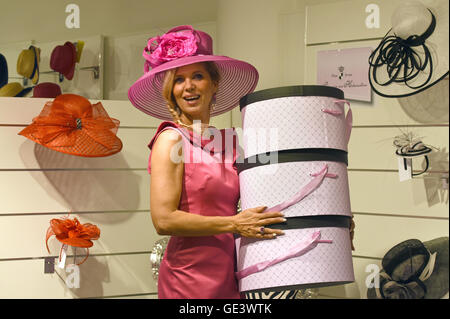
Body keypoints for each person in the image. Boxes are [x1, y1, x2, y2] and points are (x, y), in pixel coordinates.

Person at [128, 25, 286, 299]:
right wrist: (234, 224)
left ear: (214, 85)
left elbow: (266, 192)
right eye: (178, 80)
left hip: (230, 271)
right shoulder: (170, 140)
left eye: (197, 76)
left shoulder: (228, 142)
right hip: (188, 279)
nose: (188, 86)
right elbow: (164, 220)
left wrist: (326, 220)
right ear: (171, 91)